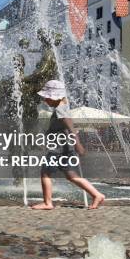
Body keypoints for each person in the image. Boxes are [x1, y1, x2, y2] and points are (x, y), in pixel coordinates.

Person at [31, 80, 105, 210]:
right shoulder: (62, 107)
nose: (45, 100)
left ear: (54, 97)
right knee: (72, 176)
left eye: (47, 97)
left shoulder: (60, 110)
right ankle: (97, 194)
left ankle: (48, 203)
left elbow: (70, 128)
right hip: (65, 148)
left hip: (59, 148)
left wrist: (78, 145)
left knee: (45, 173)